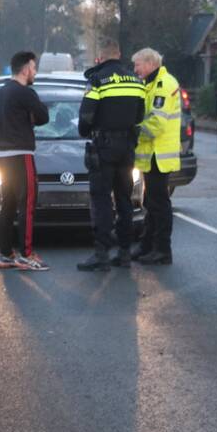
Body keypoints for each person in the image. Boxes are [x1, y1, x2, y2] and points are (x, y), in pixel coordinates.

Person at [76, 38, 146, 272]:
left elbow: (86, 116)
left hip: (103, 147)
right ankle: (124, 253)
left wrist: (87, 131)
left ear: (102, 56)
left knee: (102, 200)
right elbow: (139, 115)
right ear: (119, 54)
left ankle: (102, 254)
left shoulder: (97, 80)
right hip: (127, 147)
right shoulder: (136, 81)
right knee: (125, 199)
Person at [0, 51, 50, 271]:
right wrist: (32, 117)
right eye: (34, 68)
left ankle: (6, 254)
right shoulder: (25, 93)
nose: (35, 72)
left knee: (7, 204)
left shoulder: (3, 92)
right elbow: (44, 116)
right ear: (26, 69)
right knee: (27, 204)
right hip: (21, 154)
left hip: (3, 156)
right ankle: (26, 255)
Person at [131, 48, 181, 265]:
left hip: (159, 156)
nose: (135, 69)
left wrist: (133, 132)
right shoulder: (151, 85)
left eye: (138, 65)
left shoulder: (164, 85)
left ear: (150, 63)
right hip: (152, 155)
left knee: (159, 205)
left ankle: (162, 250)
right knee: (151, 203)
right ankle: (147, 246)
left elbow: (156, 124)